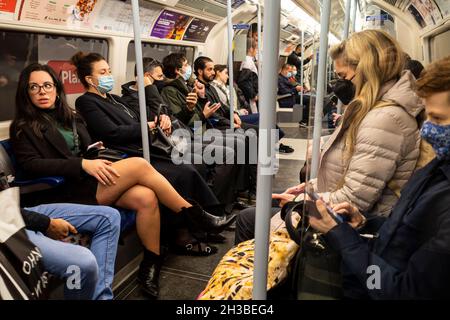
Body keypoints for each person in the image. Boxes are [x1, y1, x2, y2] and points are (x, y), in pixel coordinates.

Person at [10, 63, 234, 299]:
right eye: (34, 87)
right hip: (64, 189)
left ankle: (151, 264)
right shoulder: (23, 127)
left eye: (47, 85)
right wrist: (82, 164)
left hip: (87, 179)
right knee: (140, 165)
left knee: (146, 197)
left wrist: (93, 152)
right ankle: (195, 214)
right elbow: (32, 164)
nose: (42, 92)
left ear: (56, 88)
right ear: (26, 93)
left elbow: (84, 147)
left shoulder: (70, 117)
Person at [235, 29, 423, 242]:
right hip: (340, 212)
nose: (341, 84)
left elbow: (354, 199)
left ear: (366, 69)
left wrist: (300, 202)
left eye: (343, 76)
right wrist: (308, 188)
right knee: (257, 212)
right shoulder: (377, 111)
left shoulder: (385, 119)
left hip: (353, 228)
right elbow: (349, 174)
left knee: (248, 219)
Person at [308, 55, 450, 299]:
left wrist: (341, 237)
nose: (427, 129)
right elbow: (406, 233)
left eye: (437, 119)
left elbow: (399, 292)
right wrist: (365, 224)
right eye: (428, 118)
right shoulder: (437, 169)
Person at [161, 53, 257, 204]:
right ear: (177, 70)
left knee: (244, 138)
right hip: (193, 132)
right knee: (237, 143)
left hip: (200, 127)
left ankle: (237, 192)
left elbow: (201, 111)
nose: (189, 69)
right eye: (186, 65)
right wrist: (203, 114)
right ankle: (218, 202)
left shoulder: (188, 87)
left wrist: (202, 97)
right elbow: (183, 122)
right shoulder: (170, 91)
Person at [22, 204, 120, 300]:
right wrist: (46, 223)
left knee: (109, 218)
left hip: (17, 209)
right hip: (11, 228)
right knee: (80, 265)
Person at [237, 38, 259, 114]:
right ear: (251, 49)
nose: (257, 51)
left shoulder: (248, 60)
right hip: (249, 97)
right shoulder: (248, 62)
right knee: (254, 115)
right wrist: (253, 95)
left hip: (250, 95)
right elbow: (244, 81)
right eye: (256, 49)